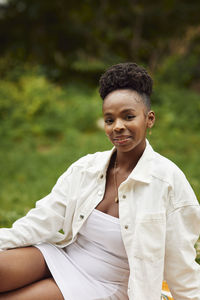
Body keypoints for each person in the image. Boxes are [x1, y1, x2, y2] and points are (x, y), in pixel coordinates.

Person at [0, 62, 199, 300]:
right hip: (65, 255)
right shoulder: (87, 168)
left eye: (128, 117)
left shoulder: (168, 182)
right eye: (109, 120)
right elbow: (43, 218)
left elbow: (182, 267)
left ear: (149, 119)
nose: (118, 127)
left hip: (106, 284)